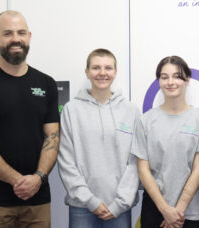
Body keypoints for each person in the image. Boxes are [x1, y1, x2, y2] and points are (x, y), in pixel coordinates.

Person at [0, 10, 60, 227]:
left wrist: (37, 178)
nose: (16, 39)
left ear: (29, 36)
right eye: (8, 33)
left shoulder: (46, 83)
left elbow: (53, 137)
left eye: (21, 33)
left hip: (37, 200)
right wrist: (18, 181)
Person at [58, 48, 141, 228]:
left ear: (115, 72)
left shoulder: (131, 111)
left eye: (108, 68)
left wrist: (121, 202)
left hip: (119, 207)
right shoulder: (72, 110)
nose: (102, 73)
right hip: (82, 205)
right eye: (96, 68)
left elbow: (135, 161)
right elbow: (66, 160)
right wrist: (90, 201)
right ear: (87, 72)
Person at [131, 55, 199, 228]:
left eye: (177, 76)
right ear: (159, 81)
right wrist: (165, 210)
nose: (171, 82)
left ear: (187, 80)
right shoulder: (145, 121)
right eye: (164, 77)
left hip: (188, 212)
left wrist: (178, 211)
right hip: (154, 210)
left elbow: (198, 171)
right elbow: (143, 170)